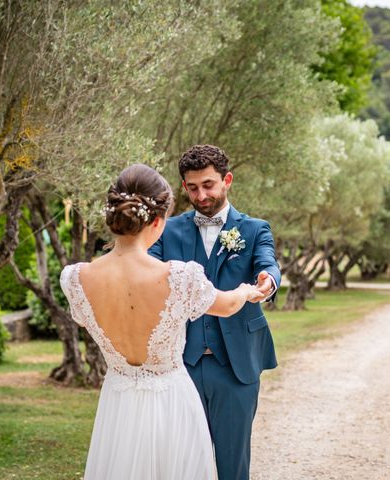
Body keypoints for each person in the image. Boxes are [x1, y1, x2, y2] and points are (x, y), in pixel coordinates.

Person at [59, 163, 262, 480]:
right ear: (157, 221)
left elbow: (88, 322)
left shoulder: (74, 279)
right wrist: (246, 290)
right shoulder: (180, 277)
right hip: (172, 402)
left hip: (117, 403)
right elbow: (227, 305)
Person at [149, 144, 281, 480]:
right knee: (182, 463)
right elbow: (146, 272)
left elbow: (267, 264)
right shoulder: (168, 230)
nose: (201, 195)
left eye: (208, 185)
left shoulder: (254, 229)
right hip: (182, 364)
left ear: (227, 180)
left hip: (235, 365)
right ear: (183, 187)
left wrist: (268, 281)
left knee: (232, 464)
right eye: (192, 187)